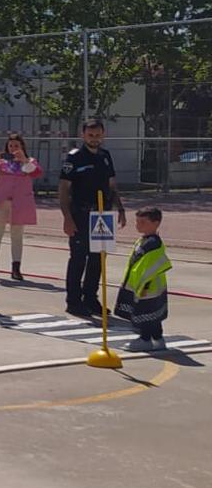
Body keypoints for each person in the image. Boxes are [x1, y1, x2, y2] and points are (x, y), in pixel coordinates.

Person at [60, 118, 126, 317]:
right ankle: (73, 301)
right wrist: (67, 217)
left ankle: (90, 298)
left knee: (98, 259)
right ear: (83, 135)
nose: (94, 139)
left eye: (98, 135)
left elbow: (112, 185)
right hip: (81, 213)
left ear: (103, 135)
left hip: (102, 214)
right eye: (91, 135)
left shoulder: (105, 156)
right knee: (79, 258)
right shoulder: (74, 158)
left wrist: (120, 208)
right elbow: (64, 189)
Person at [0, 132, 42, 281]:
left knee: (17, 236)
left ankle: (16, 268)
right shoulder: (1, 163)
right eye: (11, 145)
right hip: (0, 203)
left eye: (16, 146)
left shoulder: (29, 162)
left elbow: (36, 172)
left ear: (22, 147)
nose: (13, 149)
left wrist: (24, 160)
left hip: (20, 203)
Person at [114, 207, 171, 352]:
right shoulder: (143, 240)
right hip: (142, 285)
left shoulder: (154, 244)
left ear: (156, 223)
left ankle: (145, 339)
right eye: (137, 222)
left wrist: (143, 287)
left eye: (143, 222)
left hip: (148, 287)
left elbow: (150, 269)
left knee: (145, 314)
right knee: (152, 315)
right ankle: (158, 339)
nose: (138, 225)